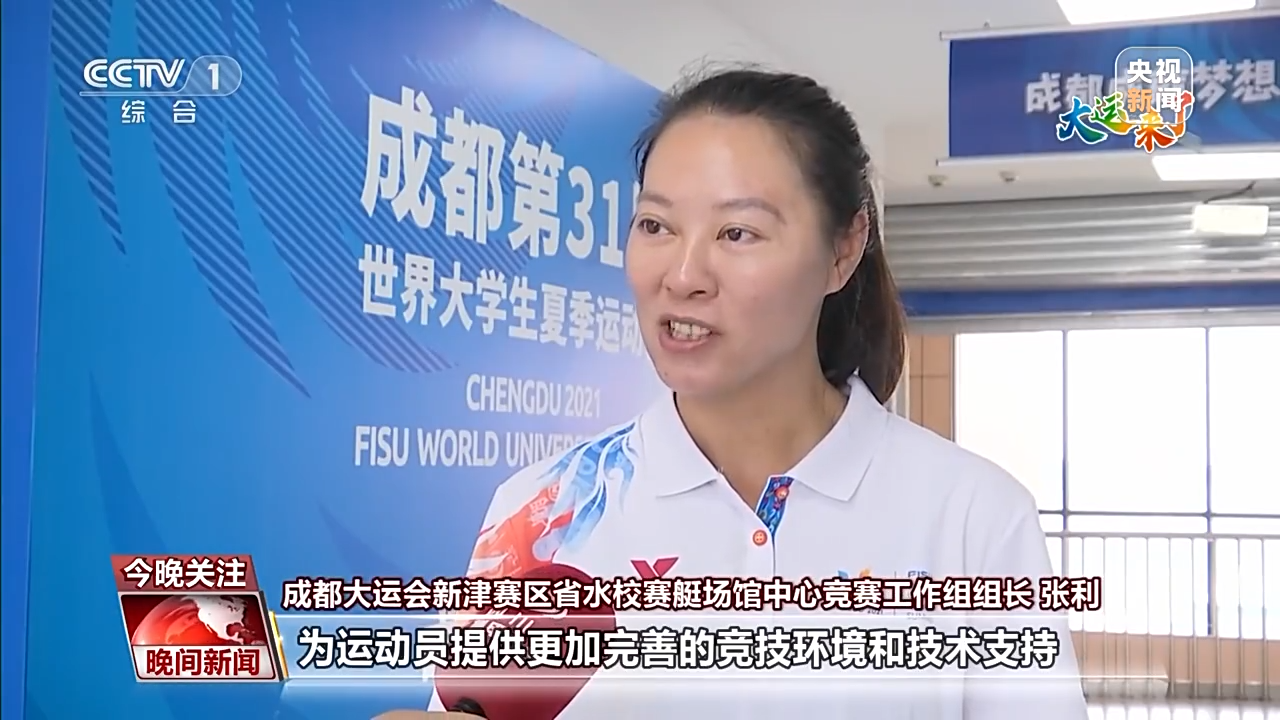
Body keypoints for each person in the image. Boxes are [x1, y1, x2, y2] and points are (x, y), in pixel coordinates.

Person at [428, 68, 1088, 719]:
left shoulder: (973, 519)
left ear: (844, 249)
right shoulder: (541, 516)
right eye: (656, 226)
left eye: (737, 233)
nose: (683, 276)